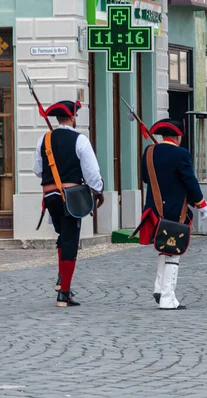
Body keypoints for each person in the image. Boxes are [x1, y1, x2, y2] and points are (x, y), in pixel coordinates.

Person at [33, 100, 104, 307]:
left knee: (63, 236)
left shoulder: (43, 140)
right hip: (71, 198)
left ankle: (60, 278)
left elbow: (38, 171)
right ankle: (64, 293)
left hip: (50, 198)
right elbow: (91, 173)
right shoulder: (80, 140)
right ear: (73, 118)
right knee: (70, 240)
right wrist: (98, 189)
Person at [137, 119, 207, 310]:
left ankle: (159, 288)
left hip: (154, 209)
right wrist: (201, 203)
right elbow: (189, 181)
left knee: (163, 249)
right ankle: (167, 298)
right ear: (178, 136)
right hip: (175, 211)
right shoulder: (181, 154)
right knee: (173, 252)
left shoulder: (150, 151)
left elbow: (145, 177)